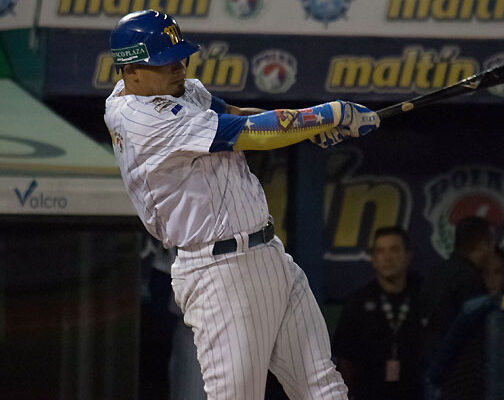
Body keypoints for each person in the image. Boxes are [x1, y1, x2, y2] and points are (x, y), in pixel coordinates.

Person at [104, 10, 381, 400]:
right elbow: (253, 134)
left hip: (268, 253)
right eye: (165, 62)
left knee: (324, 388)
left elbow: (236, 115)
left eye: (180, 57)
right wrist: (329, 113)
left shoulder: (178, 91)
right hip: (219, 271)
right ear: (130, 71)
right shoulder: (142, 119)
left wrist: (310, 129)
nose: (179, 67)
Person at [332, 226, 424, 400]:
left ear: (408, 256)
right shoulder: (357, 303)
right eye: (380, 251)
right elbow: (345, 360)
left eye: (394, 250)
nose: (387, 258)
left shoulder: (424, 296)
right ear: (373, 259)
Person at [419, 216, 496, 400]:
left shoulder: (435, 275)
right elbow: (474, 336)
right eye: (491, 243)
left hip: (432, 376)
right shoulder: (469, 278)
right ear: (483, 244)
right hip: (461, 380)